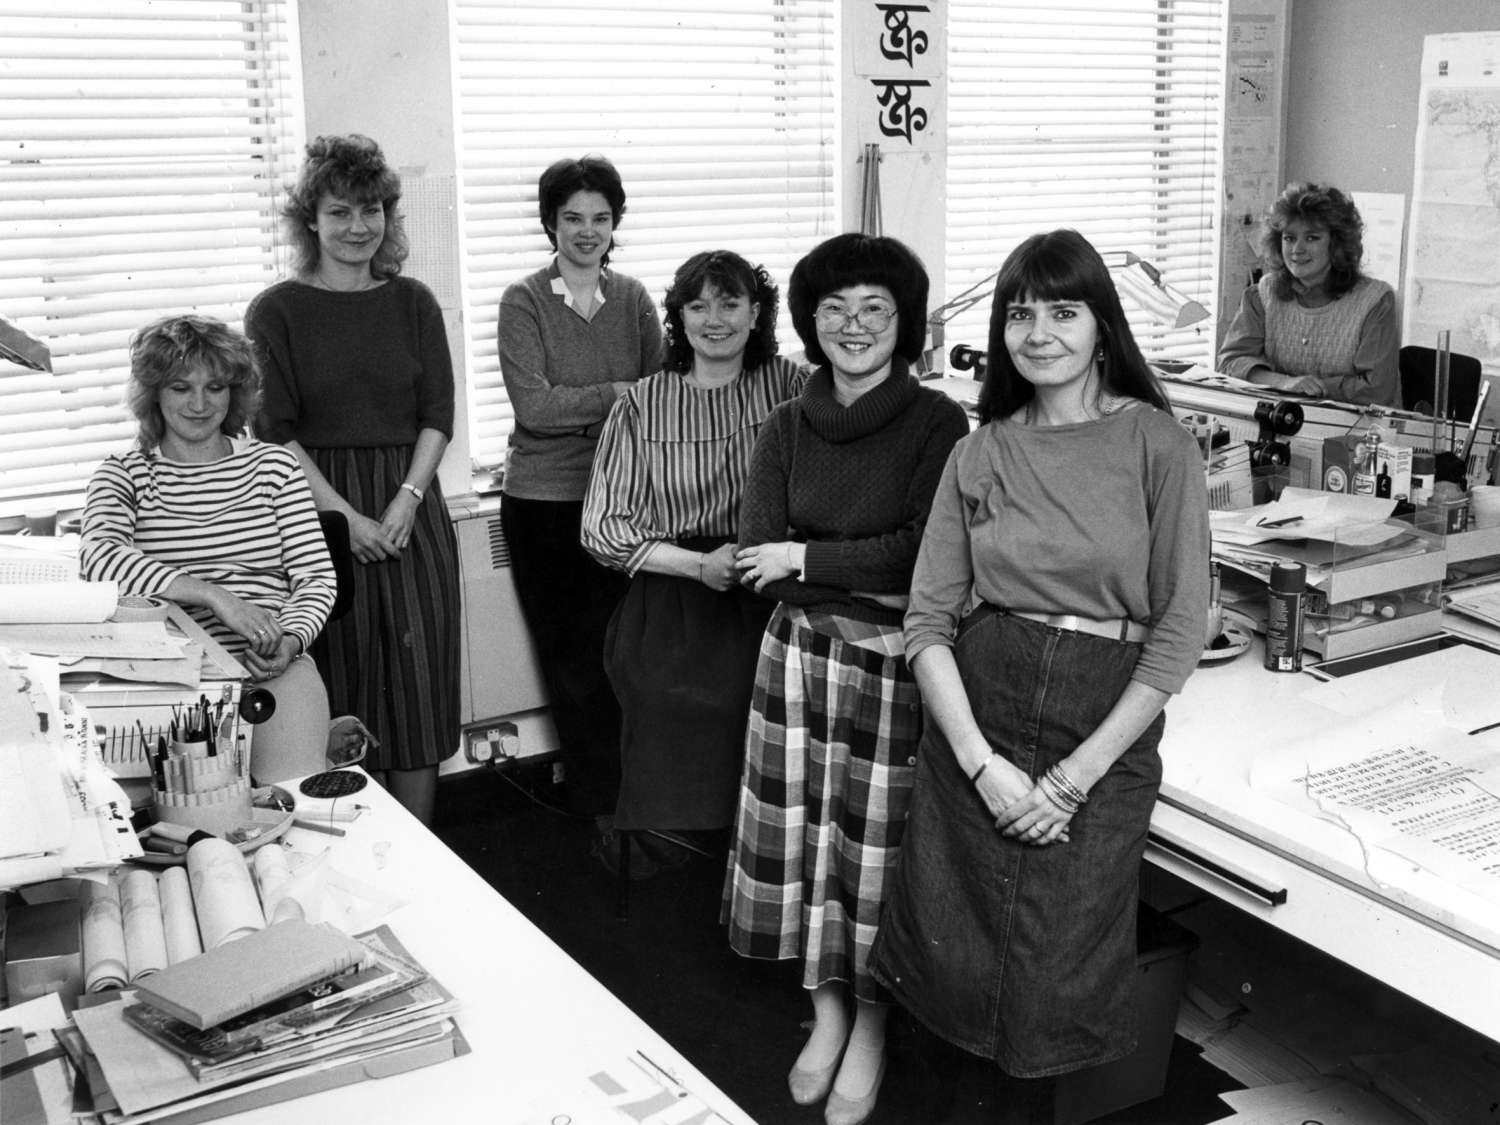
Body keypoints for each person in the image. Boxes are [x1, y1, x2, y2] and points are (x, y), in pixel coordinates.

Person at [868, 229, 1210, 1122]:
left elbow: (1177, 634)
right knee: (948, 961)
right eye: (1020, 313)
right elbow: (928, 622)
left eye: (1064, 311)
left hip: (1100, 724)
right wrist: (982, 763)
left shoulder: (1158, 445)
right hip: (979, 705)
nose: (1039, 332)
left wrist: (1069, 781)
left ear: (1103, 324)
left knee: (1050, 982)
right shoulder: (979, 453)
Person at [722, 233, 969, 1125]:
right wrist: (826, 564)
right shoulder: (786, 423)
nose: (853, 325)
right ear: (809, 323)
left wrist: (807, 553)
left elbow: (924, 555)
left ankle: (870, 1020)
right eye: (833, 309)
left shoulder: (938, 423)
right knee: (807, 845)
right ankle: (824, 1009)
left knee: (873, 856)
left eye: (875, 308)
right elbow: (757, 558)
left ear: (903, 324)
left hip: (896, 667)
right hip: (795, 658)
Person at [245, 134, 461, 825]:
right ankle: (344, 843)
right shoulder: (275, 310)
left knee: (419, 688)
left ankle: (427, 859)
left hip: (412, 509)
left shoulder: (414, 302)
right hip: (317, 514)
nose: (357, 227)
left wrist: (405, 498)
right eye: (339, 212)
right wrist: (347, 517)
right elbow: (274, 431)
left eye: (371, 211)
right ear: (310, 220)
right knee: (340, 685)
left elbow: (437, 415)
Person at [580, 250, 803, 871]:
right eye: (698, 305)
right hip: (673, 588)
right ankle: (666, 859)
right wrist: (696, 567)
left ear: (756, 313)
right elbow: (602, 527)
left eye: (730, 303)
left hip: (768, 583)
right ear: (678, 317)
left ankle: (762, 861)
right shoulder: (643, 403)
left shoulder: (789, 384)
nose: (715, 319)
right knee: (672, 704)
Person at [81, 315, 336, 784]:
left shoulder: (274, 466)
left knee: (296, 802)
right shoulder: (123, 473)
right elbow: (99, 557)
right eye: (181, 388)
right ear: (154, 392)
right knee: (190, 819)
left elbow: (316, 577)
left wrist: (292, 639)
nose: (199, 404)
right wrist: (214, 595)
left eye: (215, 387)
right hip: (167, 681)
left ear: (234, 393)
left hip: (271, 669)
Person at [497, 155, 663, 849]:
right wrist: (617, 395)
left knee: (627, 660)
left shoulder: (634, 300)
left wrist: (605, 405)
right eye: (573, 219)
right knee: (573, 668)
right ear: (550, 224)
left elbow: (661, 395)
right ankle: (602, 818)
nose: (587, 232)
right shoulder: (524, 301)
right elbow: (535, 410)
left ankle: (641, 808)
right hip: (546, 505)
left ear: (615, 224)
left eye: (600, 218)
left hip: (624, 500)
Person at [1218, 182, 1399, 407]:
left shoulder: (1376, 301)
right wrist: (1283, 383)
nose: (1297, 249)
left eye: (1312, 238)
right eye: (1289, 238)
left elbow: (1375, 390)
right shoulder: (1262, 295)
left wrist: (1312, 389)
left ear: (1337, 244)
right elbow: (1230, 362)